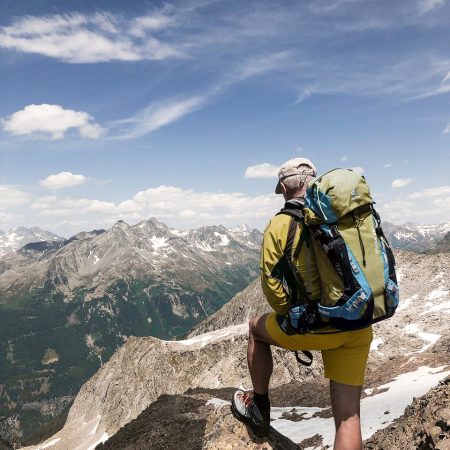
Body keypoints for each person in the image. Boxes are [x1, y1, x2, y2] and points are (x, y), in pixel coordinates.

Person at [231, 157, 373, 450]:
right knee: (348, 418)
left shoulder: (280, 224)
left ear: (284, 187)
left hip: (315, 324)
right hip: (358, 323)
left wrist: (293, 314)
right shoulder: (344, 215)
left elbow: (272, 286)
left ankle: (259, 408)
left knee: (255, 329)